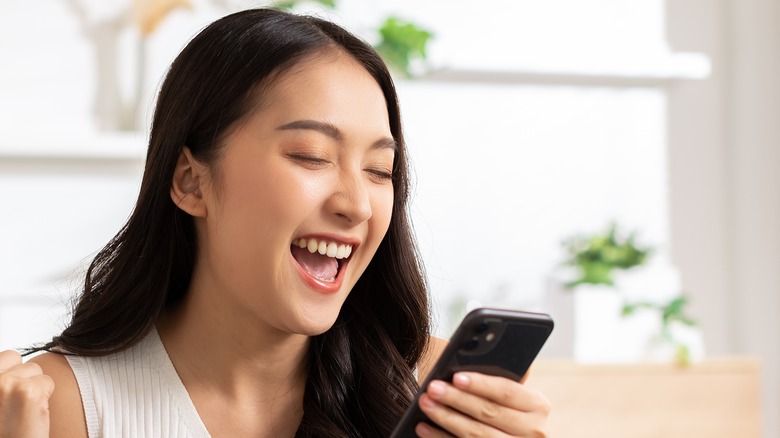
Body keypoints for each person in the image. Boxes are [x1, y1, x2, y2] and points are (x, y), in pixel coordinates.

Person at [0, 8, 550, 437]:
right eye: (311, 156)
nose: (356, 204)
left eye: (380, 170)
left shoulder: (424, 386)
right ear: (191, 181)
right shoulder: (57, 406)